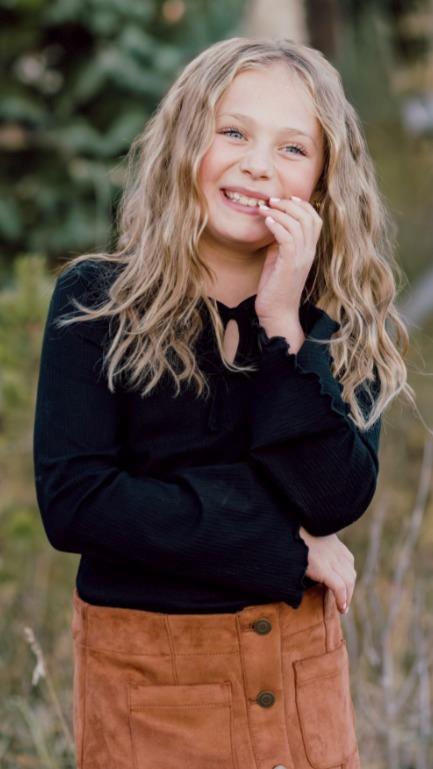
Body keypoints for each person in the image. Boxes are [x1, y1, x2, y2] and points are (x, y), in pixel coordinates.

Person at [33, 36, 416, 769]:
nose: (258, 165)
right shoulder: (96, 302)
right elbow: (77, 501)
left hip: (302, 687)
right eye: (233, 132)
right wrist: (285, 544)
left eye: (292, 148)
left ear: (323, 183)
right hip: (149, 690)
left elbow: (333, 497)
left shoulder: (339, 326)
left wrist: (282, 326)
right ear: (185, 144)